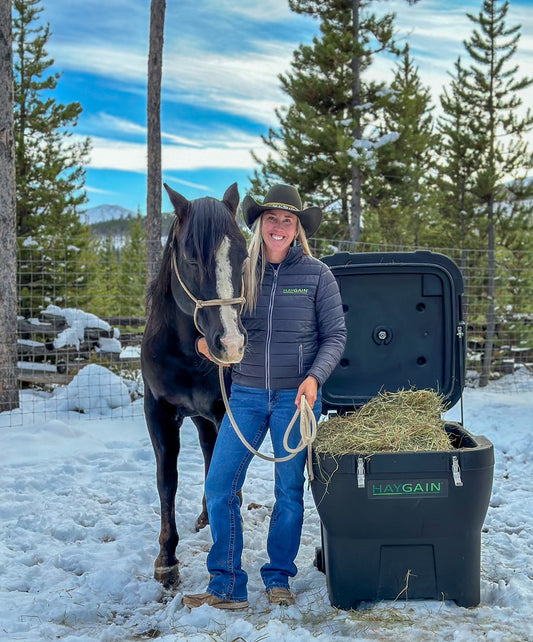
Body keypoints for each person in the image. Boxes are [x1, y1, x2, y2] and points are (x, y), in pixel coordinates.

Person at [183, 184, 347, 610]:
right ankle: (227, 584)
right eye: (271, 218)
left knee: (289, 491)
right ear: (258, 225)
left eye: (287, 220)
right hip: (247, 396)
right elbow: (218, 315)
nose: (278, 226)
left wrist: (314, 378)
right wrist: (207, 345)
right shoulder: (242, 272)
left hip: (296, 401)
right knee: (219, 487)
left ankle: (278, 578)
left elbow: (336, 336)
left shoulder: (317, 275)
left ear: (297, 229)